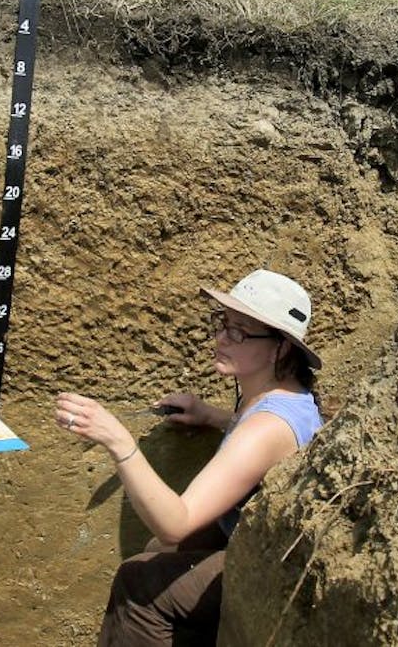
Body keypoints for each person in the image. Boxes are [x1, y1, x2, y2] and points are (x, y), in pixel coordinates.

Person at [55, 268, 324, 646]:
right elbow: (257, 437)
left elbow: (175, 523)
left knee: (140, 589)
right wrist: (211, 416)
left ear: (279, 348)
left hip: (268, 566)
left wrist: (116, 439)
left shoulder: (267, 427)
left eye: (239, 331)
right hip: (252, 535)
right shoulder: (284, 398)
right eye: (222, 323)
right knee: (154, 554)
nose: (220, 338)